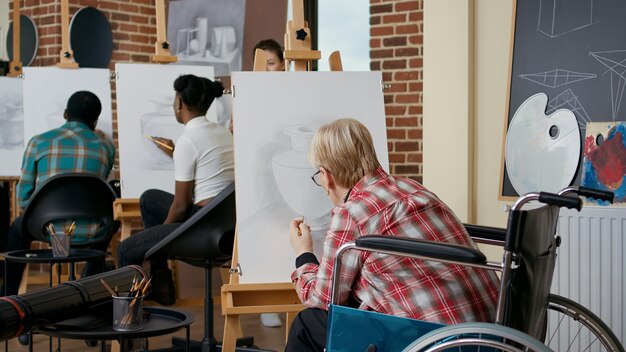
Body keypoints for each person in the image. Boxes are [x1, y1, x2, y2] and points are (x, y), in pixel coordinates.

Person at [285, 118, 500, 351]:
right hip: (490, 332)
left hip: (436, 341)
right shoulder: (412, 188)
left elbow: (324, 299)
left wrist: (304, 254)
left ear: (326, 176)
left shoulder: (352, 212)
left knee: (307, 324)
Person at [117, 74, 234, 306]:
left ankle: (129, 323)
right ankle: (162, 283)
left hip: (201, 229)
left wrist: (164, 235)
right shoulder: (223, 133)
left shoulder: (188, 141)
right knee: (150, 199)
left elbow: (181, 207)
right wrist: (175, 153)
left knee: (126, 250)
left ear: (179, 103)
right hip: (227, 228)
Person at [1, 91, 116, 296]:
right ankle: (88, 280)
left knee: (18, 228)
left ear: (65, 114)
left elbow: (22, 199)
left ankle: (7, 297)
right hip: (92, 230)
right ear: (95, 120)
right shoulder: (106, 147)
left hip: (44, 228)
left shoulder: (39, 142)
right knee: (111, 220)